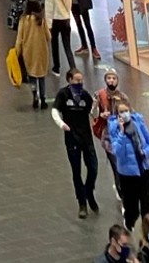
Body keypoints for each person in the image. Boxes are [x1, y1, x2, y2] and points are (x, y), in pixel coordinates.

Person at [53, 66, 100, 219]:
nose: (80, 83)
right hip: (72, 138)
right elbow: (55, 110)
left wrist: (95, 107)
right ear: (70, 80)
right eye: (77, 80)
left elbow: (92, 114)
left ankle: (89, 191)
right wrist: (61, 124)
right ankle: (82, 203)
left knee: (93, 167)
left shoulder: (85, 95)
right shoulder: (63, 94)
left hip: (86, 138)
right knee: (76, 171)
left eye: (81, 80)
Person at [106, 98, 149, 230]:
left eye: (126, 111)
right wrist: (122, 133)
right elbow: (117, 151)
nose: (124, 114)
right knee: (132, 208)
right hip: (127, 175)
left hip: (144, 170)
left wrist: (144, 153)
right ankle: (129, 222)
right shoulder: (114, 129)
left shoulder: (138, 123)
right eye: (121, 112)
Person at [15, 0, 51, 110]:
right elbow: (48, 36)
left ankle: (35, 95)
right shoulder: (41, 20)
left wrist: (17, 52)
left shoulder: (23, 20)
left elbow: (19, 38)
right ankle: (43, 99)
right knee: (41, 76)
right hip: (41, 51)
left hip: (29, 51)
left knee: (32, 76)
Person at [45, 0, 75, 74]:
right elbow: (69, 3)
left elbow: (49, 8)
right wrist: (67, 14)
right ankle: (73, 67)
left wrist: (48, 25)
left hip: (55, 20)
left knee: (55, 44)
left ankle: (56, 67)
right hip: (66, 18)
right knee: (67, 46)